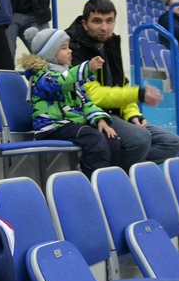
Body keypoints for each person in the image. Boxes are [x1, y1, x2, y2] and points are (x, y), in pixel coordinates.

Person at [67, 0, 179, 166]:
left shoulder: (110, 43)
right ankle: (111, 176)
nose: (104, 27)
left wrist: (132, 114)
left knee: (172, 143)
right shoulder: (72, 48)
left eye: (109, 21)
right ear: (85, 24)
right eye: (97, 21)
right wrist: (138, 94)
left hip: (113, 114)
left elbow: (122, 84)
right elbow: (92, 95)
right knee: (140, 139)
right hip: (89, 115)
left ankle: (114, 168)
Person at [20, 25, 123, 176]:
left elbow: (84, 102)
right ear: (50, 53)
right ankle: (93, 181)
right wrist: (87, 67)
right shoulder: (41, 77)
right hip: (52, 127)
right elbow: (59, 83)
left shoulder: (69, 75)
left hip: (69, 124)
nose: (70, 51)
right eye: (64, 48)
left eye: (68, 47)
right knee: (94, 139)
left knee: (111, 138)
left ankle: (109, 180)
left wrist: (100, 120)